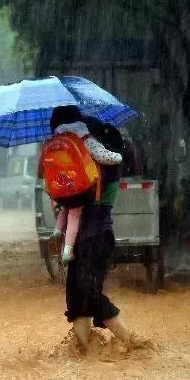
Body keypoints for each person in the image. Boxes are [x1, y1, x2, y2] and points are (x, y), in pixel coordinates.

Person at [53, 117, 151, 352]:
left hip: (95, 237)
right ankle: (84, 351)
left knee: (88, 292)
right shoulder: (87, 162)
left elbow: (81, 192)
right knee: (76, 296)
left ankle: (131, 342)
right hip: (83, 239)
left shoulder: (103, 166)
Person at [47, 106, 122, 264]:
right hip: (80, 189)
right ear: (78, 119)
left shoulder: (54, 139)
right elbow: (102, 156)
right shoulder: (83, 136)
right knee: (75, 214)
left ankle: (57, 230)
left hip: (61, 188)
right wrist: (117, 157)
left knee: (65, 208)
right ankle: (67, 250)